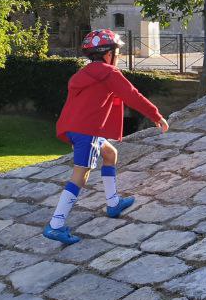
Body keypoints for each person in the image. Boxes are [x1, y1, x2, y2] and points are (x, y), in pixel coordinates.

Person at [43, 28, 169, 245]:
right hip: (86, 131)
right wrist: (156, 115)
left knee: (110, 154)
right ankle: (55, 225)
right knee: (80, 175)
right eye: (116, 52)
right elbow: (132, 96)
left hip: (72, 128)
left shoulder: (82, 73)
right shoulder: (109, 74)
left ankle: (113, 203)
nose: (117, 57)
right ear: (108, 54)